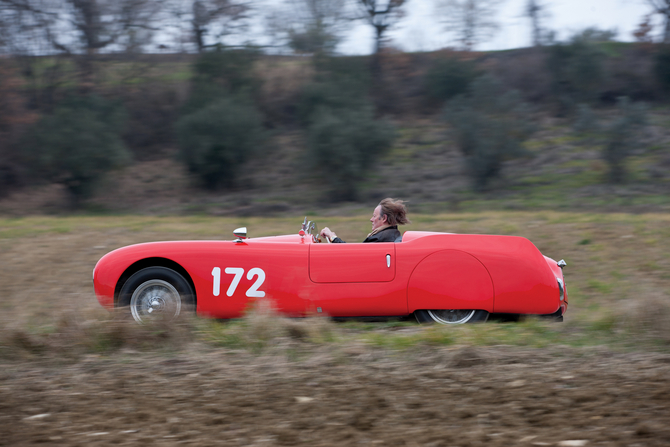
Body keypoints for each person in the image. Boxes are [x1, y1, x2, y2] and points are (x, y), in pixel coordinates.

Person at [320, 198, 410, 243]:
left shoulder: (378, 238)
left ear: (384, 218)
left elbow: (352, 254)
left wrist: (332, 237)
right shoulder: (393, 233)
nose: (371, 220)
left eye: (374, 216)